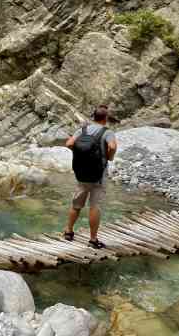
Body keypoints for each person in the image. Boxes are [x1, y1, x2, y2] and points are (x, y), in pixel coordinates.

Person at [63, 104, 117, 249]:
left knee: (76, 205)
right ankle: (93, 240)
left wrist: (80, 154)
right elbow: (112, 147)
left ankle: (68, 232)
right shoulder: (107, 132)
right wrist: (109, 156)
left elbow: (69, 144)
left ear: (94, 117)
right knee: (94, 207)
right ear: (105, 118)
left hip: (82, 173)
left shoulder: (82, 130)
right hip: (98, 176)